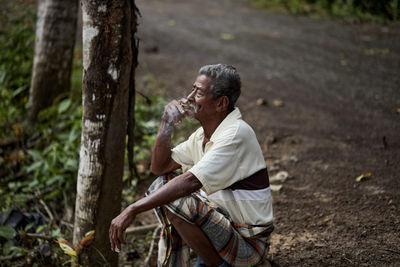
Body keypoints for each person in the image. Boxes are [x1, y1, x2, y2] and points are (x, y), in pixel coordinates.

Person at [109, 64, 273, 267]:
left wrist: (132, 209)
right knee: (163, 185)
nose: (189, 97)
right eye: (192, 89)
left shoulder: (235, 134)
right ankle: (211, 261)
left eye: (199, 92)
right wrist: (165, 123)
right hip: (228, 233)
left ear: (221, 103)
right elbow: (160, 168)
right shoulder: (201, 137)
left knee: (176, 199)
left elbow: (189, 182)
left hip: (249, 245)